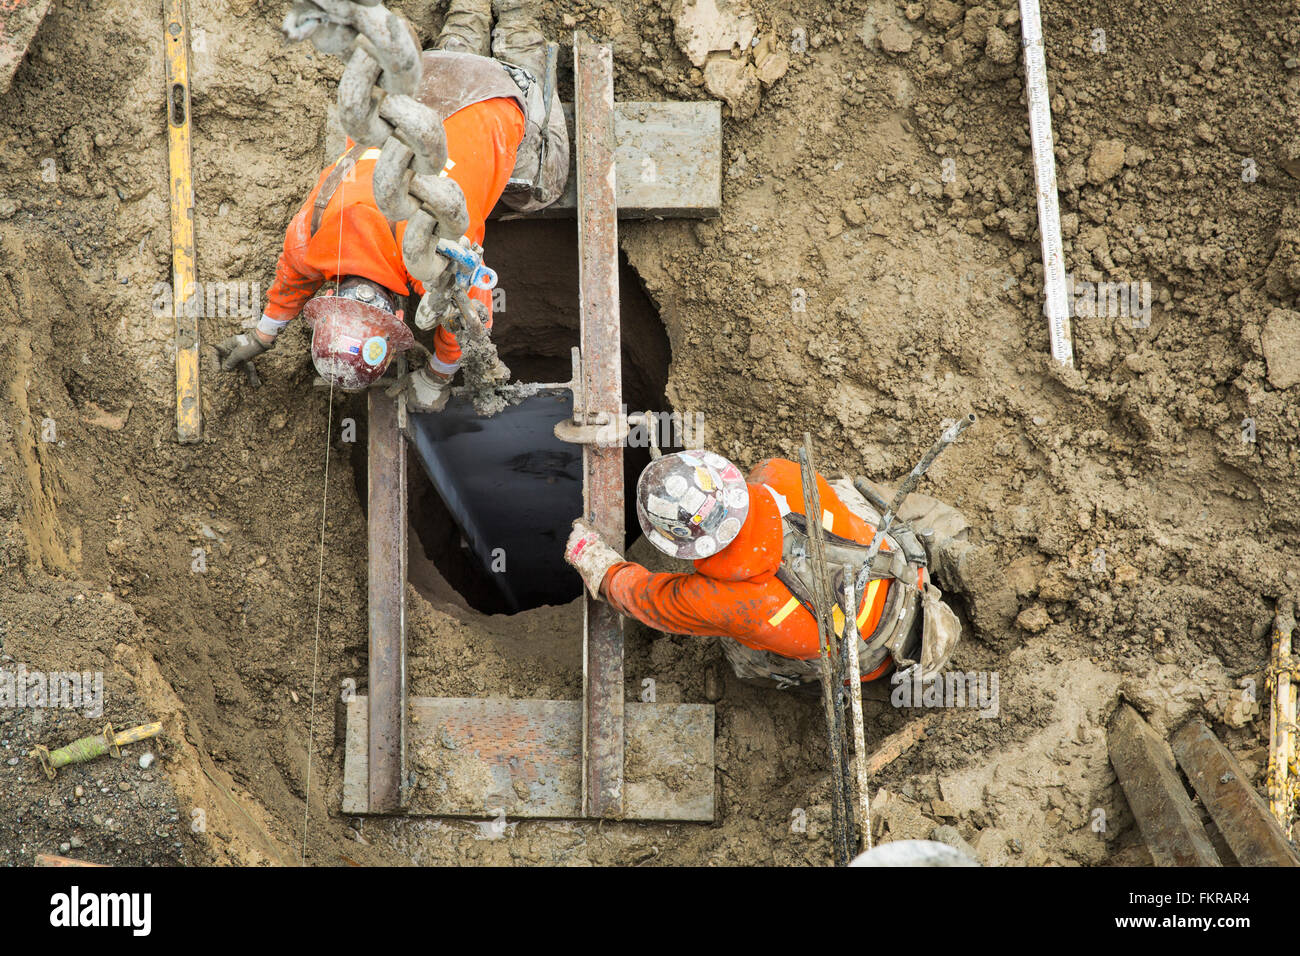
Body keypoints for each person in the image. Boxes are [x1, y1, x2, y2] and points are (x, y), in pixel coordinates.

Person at [214, 0, 567, 409]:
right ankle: (466, 15)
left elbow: (470, 319)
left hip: (497, 97)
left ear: (401, 318)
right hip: (427, 78)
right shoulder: (310, 235)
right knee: (457, 50)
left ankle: (520, 27)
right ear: (330, 297)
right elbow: (291, 280)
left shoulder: (431, 261)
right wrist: (260, 337)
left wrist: (435, 380)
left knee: (537, 189)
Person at [564, 451, 980, 689]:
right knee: (837, 492)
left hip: (870, 661)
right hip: (902, 580)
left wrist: (598, 564)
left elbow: (646, 599)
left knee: (741, 657)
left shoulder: (715, 601)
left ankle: (785, 685)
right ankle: (944, 545)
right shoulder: (777, 475)